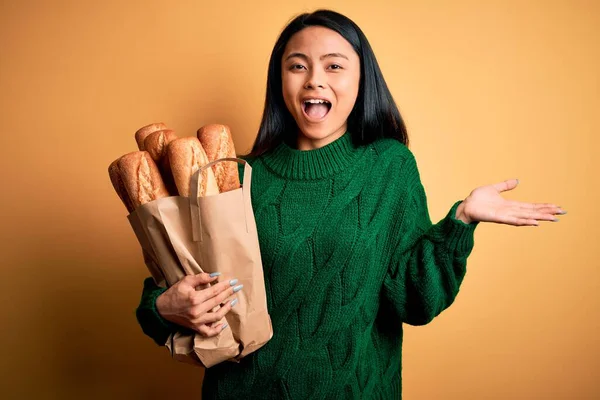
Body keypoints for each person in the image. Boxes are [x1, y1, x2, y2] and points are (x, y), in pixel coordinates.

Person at [135, 9, 566, 399]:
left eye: (334, 66)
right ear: (279, 81)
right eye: (297, 66)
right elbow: (173, 278)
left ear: (361, 81)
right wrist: (162, 307)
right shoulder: (235, 177)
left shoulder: (389, 168)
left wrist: (461, 220)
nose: (314, 80)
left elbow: (414, 302)